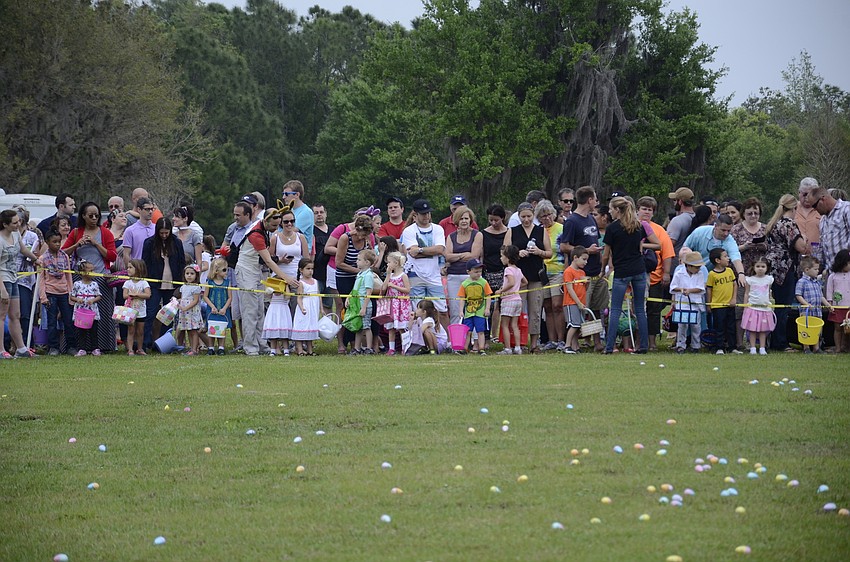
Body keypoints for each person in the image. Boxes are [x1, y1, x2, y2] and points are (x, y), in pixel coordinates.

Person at [601, 197, 660, 355]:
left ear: (618, 210)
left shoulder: (613, 228)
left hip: (621, 272)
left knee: (615, 309)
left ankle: (609, 346)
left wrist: (602, 270)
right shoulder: (638, 226)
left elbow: (606, 254)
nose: (609, 212)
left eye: (611, 209)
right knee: (640, 309)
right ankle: (643, 345)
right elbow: (654, 244)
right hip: (639, 270)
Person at [238, 209, 296, 356]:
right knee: (250, 310)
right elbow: (268, 260)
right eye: (274, 226)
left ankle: (262, 344)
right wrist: (285, 277)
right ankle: (250, 346)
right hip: (246, 271)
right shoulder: (256, 234)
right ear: (265, 221)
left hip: (257, 270)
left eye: (278, 226)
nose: (276, 229)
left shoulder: (266, 231)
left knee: (259, 309)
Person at [62, 202, 117, 353]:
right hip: (79, 279)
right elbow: (62, 253)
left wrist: (96, 244)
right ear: (83, 216)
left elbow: (112, 255)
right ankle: (79, 346)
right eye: (90, 215)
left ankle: (102, 345)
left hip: (99, 278)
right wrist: (77, 245)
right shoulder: (75, 232)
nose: (94, 218)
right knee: (79, 313)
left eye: (97, 215)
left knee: (102, 314)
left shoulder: (105, 233)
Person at [559, 186, 605, 352]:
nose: (596, 202)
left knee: (597, 308)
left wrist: (600, 263)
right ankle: (574, 343)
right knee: (580, 308)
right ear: (589, 200)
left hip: (595, 271)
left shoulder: (592, 219)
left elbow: (596, 242)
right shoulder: (572, 221)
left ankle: (597, 341)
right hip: (579, 274)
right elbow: (564, 246)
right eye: (595, 199)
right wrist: (586, 251)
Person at [504, 202, 551, 352]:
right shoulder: (513, 231)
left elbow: (549, 252)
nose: (526, 220)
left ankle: (535, 343)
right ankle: (520, 343)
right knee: (518, 311)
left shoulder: (541, 231)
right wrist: (517, 254)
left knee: (536, 310)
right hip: (519, 277)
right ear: (518, 216)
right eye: (523, 217)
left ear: (533, 216)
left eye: (529, 216)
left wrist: (539, 252)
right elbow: (504, 253)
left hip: (536, 275)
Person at [764, 194, 808, 352]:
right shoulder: (789, 224)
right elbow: (801, 247)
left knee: (777, 306)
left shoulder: (774, 223)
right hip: (786, 269)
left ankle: (774, 339)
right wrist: (805, 238)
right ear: (794, 208)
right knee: (784, 307)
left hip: (774, 268)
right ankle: (780, 342)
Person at [401, 199, 448, 327]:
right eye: (423, 214)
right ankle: (420, 341)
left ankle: (448, 342)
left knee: (442, 310)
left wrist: (421, 250)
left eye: (428, 213)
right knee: (418, 310)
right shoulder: (409, 231)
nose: (426, 216)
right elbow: (412, 253)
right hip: (415, 274)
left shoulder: (438, 229)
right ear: (415, 215)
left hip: (434, 275)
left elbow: (440, 249)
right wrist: (430, 251)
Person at [141, 217, 185, 351]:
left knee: (168, 315)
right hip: (155, 284)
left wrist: (180, 283)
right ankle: (145, 343)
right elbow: (145, 262)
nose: (164, 236)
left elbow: (181, 262)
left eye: (167, 233)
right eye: (162, 233)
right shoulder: (149, 243)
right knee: (150, 312)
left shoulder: (176, 242)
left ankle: (164, 343)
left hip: (172, 284)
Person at [636, 197, 674, 350]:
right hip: (634, 275)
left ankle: (651, 342)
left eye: (650, 209)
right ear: (637, 209)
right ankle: (634, 341)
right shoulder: (631, 226)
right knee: (636, 309)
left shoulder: (659, 230)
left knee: (653, 310)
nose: (646, 212)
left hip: (654, 276)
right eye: (644, 208)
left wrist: (666, 273)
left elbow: (667, 253)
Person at [730, 197, 767, 348]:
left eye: (756, 213)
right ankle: (740, 342)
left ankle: (761, 343)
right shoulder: (736, 229)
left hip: (760, 275)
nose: (753, 216)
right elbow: (730, 251)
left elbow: (770, 248)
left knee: (762, 308)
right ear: (743, 214)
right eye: (750, 213)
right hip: (741, 274)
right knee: (741, 308)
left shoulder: (765, 228)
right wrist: (744, 246)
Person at [37, 229, 76, 356]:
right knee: (52, 322)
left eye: (59, 242)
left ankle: (71, 346)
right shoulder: (43, 259)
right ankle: (53, 347)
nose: (57, 244)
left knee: (68, 321)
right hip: (50, 292)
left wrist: (71, 293)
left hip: (64, 292)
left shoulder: (64, 256)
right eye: (54, 242)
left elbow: (68, 276)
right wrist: (43, 297)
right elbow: (41, 279)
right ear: (47, 242)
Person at [682, 215, 747, 287]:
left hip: (713, 276)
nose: (726, 234)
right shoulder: (700, 232)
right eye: (723, 230)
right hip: (693, 271)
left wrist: (741, 273)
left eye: (729, 231)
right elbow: (685, 248)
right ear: (715, 226)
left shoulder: (729, 240)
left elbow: (735, 257)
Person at [444, 205, 483, 325]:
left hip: (471, 277)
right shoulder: (451, 236)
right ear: (457, 220)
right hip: (453, 276)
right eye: (461, 219)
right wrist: (464, 255)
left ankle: (474, 338)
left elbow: (474, 255)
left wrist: (456, 256)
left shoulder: (477, 235)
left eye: (466, 218)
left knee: (473, 308)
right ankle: (456, 338)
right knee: (455, 309)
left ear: (471, 220)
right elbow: (447, 256)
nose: (464, 221)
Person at [536, 199, 565, 351]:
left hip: (558, 271)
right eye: (542, 216)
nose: (546, 218)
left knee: (557, 305)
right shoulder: (538, 230)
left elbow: (566, 251)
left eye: (548, 215)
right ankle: (551, 340)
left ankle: (561, 339)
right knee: (546, 307)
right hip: (542, 273)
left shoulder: (561, 229)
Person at [13, 206, 40, 346]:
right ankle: (8, 344)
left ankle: (26, 343)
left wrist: (35, 258)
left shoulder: (32, 236)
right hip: (10, 276)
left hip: (26, 279)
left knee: (25, 312)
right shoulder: (8, 234)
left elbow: (33, 253)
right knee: (9, 313)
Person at [670, 251, 707, 354]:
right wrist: (681, 290)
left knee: (696, 325)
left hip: (695, 304)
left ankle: (696, 345)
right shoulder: (679, 274)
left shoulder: (700, 274)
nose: (698, 269)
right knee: (682, 325)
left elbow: (701, 288)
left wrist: (690, 291)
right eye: (696, 267)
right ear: (689, 266)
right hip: (682, 304)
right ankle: (681, 345)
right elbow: (673, 287)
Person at [809, 185, 850, 275]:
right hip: (831, 274)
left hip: (847, 272)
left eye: (815, 206)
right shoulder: (823, 220)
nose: (815, 210)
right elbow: (822, 248)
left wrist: (843, 260)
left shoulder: (846, 209)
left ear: (823, 199)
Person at [481, 204, 508, 341]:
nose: (493, 223)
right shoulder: (484, 233)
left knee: (501, 304)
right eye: (491, 220)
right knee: (489, 306)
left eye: (496, 220)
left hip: (503, 271)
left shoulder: (508, 232)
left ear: (502, 218)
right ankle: (486, 335)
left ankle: (498, 335)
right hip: (488, 272)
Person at [795, 256, 833, 354]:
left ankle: (816, 348)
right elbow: (798, 295)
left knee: (817, 330)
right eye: (815, 269)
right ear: (807, 270)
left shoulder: (817, 282)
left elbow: (821, 296)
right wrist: (806, 304)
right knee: (806, 329)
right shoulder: (801, 282)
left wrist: (828, 305)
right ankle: (806, 347)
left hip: (817, 311)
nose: (817, 271)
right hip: (806, 311)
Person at [705, 249, 739, 355]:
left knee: (731, 326)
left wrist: (733, 298)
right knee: (719, 327)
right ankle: (719, 347)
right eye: (725, 256)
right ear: (717, 260)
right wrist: (709, 304)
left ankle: (732, 347)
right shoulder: (712, 274)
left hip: (730, 305)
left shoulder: (729, 271)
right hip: (718, 306)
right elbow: (709, 289)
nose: (728, 258)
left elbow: (734, 284)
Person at [457, 258, 492, 356]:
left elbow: (488, 296)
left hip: (480, 312)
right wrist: (461, 311)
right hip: (469, 312)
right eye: (476, 271)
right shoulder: (464, 284)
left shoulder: (484, 282)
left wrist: (487, 308)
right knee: (468, 331)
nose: (478, 274)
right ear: (468, 271)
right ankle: (465, 348)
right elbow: (462, 298)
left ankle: (481, 348)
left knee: (481, 331)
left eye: (480, 271)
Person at [741, 257, 775, 355]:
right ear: (754, 267)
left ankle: (762, 348)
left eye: (763, 266)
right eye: (758, 266)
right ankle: (752, 348)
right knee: (752, 329)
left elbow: (768, 293)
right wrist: (745, 305)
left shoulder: (769, 279)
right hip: (752, 308)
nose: (760, 268)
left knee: (763, 330)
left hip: (764, 308)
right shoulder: (750, 280)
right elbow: (746, 293)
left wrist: (769, 303)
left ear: (767, 268)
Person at [495, 244, 525, 355]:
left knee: (504, 324)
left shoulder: (508, 269)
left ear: (507, 258)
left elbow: (511, 282)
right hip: (518, 300)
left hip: (509, 300)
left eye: (502, 256)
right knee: (514, 325)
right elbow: (524, 282)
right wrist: (517, 287)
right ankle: (517, 347)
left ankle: (507, 348)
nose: (501, 258)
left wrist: (501, 290)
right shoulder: (518, 269)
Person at [346, 250, 377, 354]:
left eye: (359, 260)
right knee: (358, 327)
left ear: (367, 262)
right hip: (357, 304)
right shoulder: (360, 274)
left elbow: (369, 292)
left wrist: (364, 307)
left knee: (366, 327)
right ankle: (357, 348)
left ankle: (369, 348)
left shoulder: (368, 275)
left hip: (365, 305)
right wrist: (348, 298)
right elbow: (355, 289)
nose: (356, 262)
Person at [381, 251, 411, 356]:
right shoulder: (391, 275)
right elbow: (384, 288)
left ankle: (405, 347)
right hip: (391, 304)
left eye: (389, 262)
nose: (387, 264)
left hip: (401, 304)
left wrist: (394, 286)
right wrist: (388, 275)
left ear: (396, 263)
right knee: (391, 328)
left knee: (401, 327)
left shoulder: (403, 276)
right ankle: (391, 348)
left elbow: (407, 290)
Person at [70, 259, 102, 356]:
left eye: (93, 270)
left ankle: (95, 348)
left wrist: (93, 300)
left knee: (94, 330)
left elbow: (99, 296)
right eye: (90, 271)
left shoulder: (94, 284)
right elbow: (72, 296)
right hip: (81, 311)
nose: (93, 273)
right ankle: (81, 348)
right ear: (83, 272)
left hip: (92, 311)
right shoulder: (77, 284)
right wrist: (77, 299)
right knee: (81, 331)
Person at [562, 246, 589, 355]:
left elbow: (584, 289)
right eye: (584, 259)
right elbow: (569, 289)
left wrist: (587, 282)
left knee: (578, 326)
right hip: (571, 303)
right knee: (574, 325)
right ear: (575, 258)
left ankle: (575, 346)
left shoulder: (582, 272)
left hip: (581, 303)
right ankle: (567, 345)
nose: (585, 262)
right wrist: (578, 302)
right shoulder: (568, 272)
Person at [203, 257, 231, 356]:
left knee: (221, 329)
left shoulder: (227, 283)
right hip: (212, 310)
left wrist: (224, 308)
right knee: (212, 328)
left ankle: (221, 347)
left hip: (223, 310)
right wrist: (212, 307)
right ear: (216, 270)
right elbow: (205, 296)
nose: (226, 272)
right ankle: (211, 347)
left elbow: (229, 297)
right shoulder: (209, 282)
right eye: (224, 270)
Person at [122, 259, 151, 356]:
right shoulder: (127, 283)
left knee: (140, 331)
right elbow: (125, 295)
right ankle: (130, 349)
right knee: (131, 330)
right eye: (128, 267)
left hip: (141, 311)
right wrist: (132, 295)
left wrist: (136, 294)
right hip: (130, 311)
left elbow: (148, 295)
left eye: (130, 267)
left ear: (138, 269)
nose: (128, 269)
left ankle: (139, 348)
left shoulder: (144, 283)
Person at [291, 258, 320, 355]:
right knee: (302, 326)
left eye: (312, 269)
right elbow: (299, 298)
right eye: (308, 269)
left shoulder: (315, 281)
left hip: (313, 308)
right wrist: (302, 307)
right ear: (301, 270)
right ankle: (299, 349)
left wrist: (321, 308)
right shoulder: (301, 283)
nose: (310, 271)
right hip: (305, 307)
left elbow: (318, 295)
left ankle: (310, 350)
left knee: (310, 326)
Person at [176, 264, 203, 356]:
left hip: (192, 312)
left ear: (196, 275)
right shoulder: (183, 287)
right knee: (188, 330)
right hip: (185, 313)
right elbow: (184, 299)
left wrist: (186, 308)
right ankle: (191, 348)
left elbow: (195, 301)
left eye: (192, 273)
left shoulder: (196, 287)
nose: (189, 275)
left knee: (193, 331)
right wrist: (176, 301)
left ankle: (195, 349)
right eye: (187, 273)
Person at [826, 249, 850, 353]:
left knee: (847, 329)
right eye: (848, 263)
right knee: (837, 328)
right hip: (837, 306)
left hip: (848, 307)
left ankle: (845, 347)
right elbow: (829, 291)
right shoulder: (833, 276)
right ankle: (838, 348)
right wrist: (830, 304)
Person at [311, 203, 333, 315]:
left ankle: (328, 331)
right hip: (315, 274)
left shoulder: (334, 231)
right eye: (316, 213)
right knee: (313, 305)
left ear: (326, 214)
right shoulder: (310, 231)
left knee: (328, 306)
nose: (319, 215)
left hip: (330, 275)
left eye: (321, 212)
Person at [281, 180, 314, 250]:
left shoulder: (306, 212)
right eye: (283, 194)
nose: (283, 197)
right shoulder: (290, 211)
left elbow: (290, 231)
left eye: (286, 194)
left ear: (297, 195)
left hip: (301, 254)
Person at [123, 197, 156, 264]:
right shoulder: (130, 230)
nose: (150, 212)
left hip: (155, 270)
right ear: (139, 209)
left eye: (152, 209)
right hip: (138, 270)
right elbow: (126, 254)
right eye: (147, 209)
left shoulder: (157, 228)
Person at [666, 187, 696, 259]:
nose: (674, 203)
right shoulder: (696, 217)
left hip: (676, 260)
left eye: (675, 200)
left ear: (680, 202)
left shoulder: (677, 220)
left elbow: (670, 243)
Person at [795, 178, 822, 252]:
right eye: (805, 194)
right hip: (795, 256)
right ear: (799, 192)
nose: (807, 197)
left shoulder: (822, 210)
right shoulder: (792, 209)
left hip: (816, 256)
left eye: (811, 194)